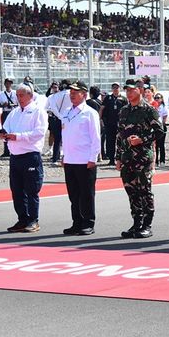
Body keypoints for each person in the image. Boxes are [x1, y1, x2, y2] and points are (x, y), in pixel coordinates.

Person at [116, 79, 164, 239]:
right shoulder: (124, 110)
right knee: (131, 191)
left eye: (132, 90)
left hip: (143, 159)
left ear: (140, 90)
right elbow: (120, 134)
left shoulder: (149, 110)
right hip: (127, 158)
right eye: (127, 90)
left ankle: (147, 225)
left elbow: (160, 132)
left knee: (145, 191)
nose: (129, 93)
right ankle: (136, 223)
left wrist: (142, 139)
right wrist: (118, 157)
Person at [0, 84, 49, 233]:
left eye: (21, 95)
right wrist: (4, 135)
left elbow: (39, 132)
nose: (19, 98)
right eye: (18, 95)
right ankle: (22, 219)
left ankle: (33, 220)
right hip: (15, 156)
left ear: (30, 96)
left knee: (31, 189)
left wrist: (19, 137)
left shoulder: (38, 111)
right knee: (17, 190)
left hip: (30, 155)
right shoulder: (14, 112)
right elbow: (6, 128)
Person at [60, 81, 101, 235]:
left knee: (86, 194)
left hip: (85, 160)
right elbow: (65, 136)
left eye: (75, 92)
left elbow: (95, 137)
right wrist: (64, 155)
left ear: (84, 94)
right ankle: (76, 222)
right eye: (71, 92)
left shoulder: (90, 112)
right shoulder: (67, 112)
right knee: (73, 194)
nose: (72, 95)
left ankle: (88, 222)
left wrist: (93, 158)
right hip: (70, 159)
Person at [46, 79, 73, 165]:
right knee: (69, 139)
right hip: (70, 118)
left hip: (57, 119)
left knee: (57, 139)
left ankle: (55, 158)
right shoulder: (72, 94)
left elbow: (49, 108)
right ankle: (68, 157)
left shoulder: (53, 96)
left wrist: (59, 116)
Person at [100, 82, 127, 166]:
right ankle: (111, 159)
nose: (115, 89)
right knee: (110, 141)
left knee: (121, 142)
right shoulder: (108, 98)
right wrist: (100, 119)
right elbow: (102, 109)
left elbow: (127, 110)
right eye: (114, 87)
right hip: (110, 123)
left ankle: (121, 159)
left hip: (120, 124)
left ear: (120, 88)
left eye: (117, 87)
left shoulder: (123, 99)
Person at [0, 78, 18, 157]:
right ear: (5, 84)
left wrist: (13, 105)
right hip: (5, 112)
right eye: (7, 83)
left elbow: (18, 103)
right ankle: (6, 151)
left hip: (13, 112)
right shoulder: (1, 94)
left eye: (10, 83)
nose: (8, 85)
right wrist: (4, 104)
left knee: (14, 130)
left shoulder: (15, 93)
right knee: (5, 131)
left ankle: (14, 150)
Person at [153, 93, 168, 166]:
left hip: (161, 127)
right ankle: (155, 161)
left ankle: (162, 161)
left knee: (161, 145)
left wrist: (161, 125)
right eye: (155, 98)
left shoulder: (164, 107)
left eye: (158, 98)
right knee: (155, 145)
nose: (156, 99)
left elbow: (165, 118)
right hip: (154, 127)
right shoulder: (153, 107)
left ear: (161, 99)